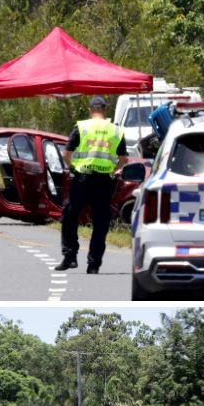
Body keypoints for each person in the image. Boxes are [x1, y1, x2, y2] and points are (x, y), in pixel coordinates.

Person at [56, 95, 125, 274]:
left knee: (70, 216)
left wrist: (74, 167)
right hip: (104, 181)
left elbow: (66, 154)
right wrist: (111, 170)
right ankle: (93, 265)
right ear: (104, 109)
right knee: (100, 223)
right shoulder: (116, 130)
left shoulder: (81, 127)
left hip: (82, 179)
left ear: (90, 110)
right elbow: (124, 159)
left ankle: (70, 256)